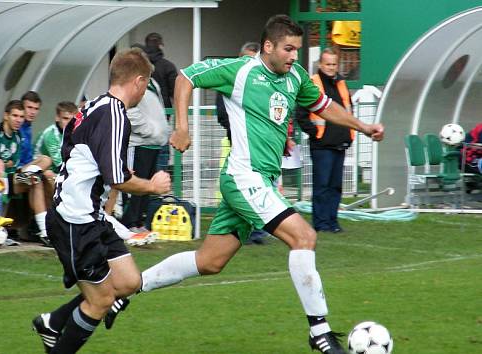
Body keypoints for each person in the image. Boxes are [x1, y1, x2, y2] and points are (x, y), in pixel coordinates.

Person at [106, 15, 384, 354]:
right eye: (289, 49)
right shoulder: (239, 70)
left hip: (260, 180)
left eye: (297, 49)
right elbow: (185, 78)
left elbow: (323, 107)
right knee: (304, 236)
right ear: (268, 46)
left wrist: (363, 126)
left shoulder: (295, 76)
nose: (295, 56)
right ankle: (320, 332)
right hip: (243, 177)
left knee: (209, 261)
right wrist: (181, 126)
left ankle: (127, 291)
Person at [31, 47, 170, 354]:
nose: (144, 92)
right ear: (138, 81)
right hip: (75, 221)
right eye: (146, 85)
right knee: (101, 300)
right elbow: (117, 179)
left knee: (129, 281)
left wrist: (105, 169)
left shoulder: (92, 105)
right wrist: (152, 185)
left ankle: (54, 321)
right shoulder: (117, 114)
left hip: (91, 216)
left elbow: (76, 150)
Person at [215, 41, 270, 245]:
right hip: (237, 145)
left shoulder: (262, 85)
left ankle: (255, 229)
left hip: (260, 149)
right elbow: (221, 114)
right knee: (239, 188)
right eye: (246, 58)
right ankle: (237, 230)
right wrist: (239, 129)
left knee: (258, 187)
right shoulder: (229, 81)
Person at [295, 48, 354, 233]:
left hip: (340, 142)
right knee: (322, 186)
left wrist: (349, 134)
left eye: (334, 64)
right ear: (320, 64)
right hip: (322, 145)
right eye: (328, 64)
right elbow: (301, 114)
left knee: (335, 186)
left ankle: (332, 222)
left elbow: (347, 111)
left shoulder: (341, 84)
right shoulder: (312, 83)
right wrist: (315, 134)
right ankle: (320, 224)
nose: (331, 67)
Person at [0, 100, 51, 245]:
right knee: (35, 180)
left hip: (11, 178)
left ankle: (45, 233)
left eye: (21, 117)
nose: (19, 120)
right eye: (15, 116)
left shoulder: (18, 136)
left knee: (44, 161)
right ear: (6, 115)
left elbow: (14, 164)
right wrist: (6, 164)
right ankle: (31, 176)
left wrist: (8, 165)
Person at [119, 77, 171, 231]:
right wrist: (149, 131)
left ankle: (138, 222)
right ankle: (128, 223)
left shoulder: (153, 83)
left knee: (148, 185)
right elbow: (129, 110)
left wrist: (161, 132)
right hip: (138, 144)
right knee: (134, 183)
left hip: (154, 144)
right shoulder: (133, 83)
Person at [144, 33, 178, 172]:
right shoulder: (167, 66)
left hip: (142, 118)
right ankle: (159, 184)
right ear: (160, 45)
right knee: (162, 154)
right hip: (163, 115)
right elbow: (175, 92)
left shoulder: (139, 67)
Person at [34, 101, 78, 174]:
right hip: (37, 170)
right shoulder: (50, 135)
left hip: (54, 170)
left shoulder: (73, 133)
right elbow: (61, 166)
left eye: (72, 120)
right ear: (57, 118)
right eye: (65, 118)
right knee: (49, 174)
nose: (70, 123)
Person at [19, 91, 42, 166]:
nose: (33, 112)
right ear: (21, 107)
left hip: (25, 167)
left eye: (36, 109)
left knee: (45, 160)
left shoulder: (28, 128)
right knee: (45, 160)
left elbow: (28, 157)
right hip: (15, 170)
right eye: (29, 107)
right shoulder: (16, 127)